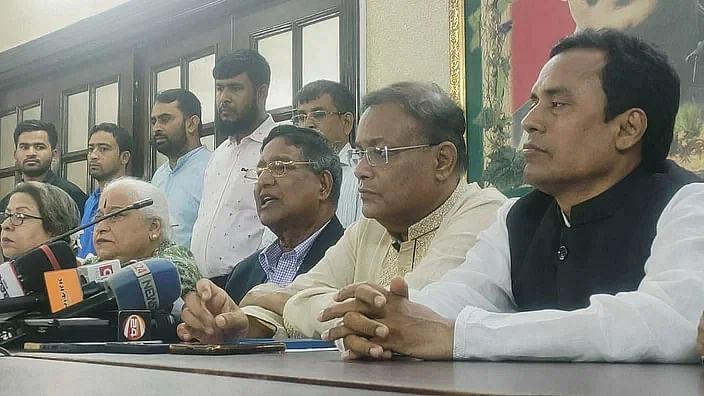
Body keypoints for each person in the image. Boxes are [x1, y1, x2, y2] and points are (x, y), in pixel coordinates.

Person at [319, 30, 704, 363]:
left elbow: (669, 322)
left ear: (628, 128)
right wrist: (385, 324)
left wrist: (461, 336)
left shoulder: (687, 204)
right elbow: (462, 292)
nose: (529, 120)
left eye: (557, 104)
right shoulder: (521, 217)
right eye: (535, 101)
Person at [176, 81, 507, 343]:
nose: (360, 169)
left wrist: (285, 303)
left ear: (442, 161)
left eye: (379, 152)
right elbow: (291, 290)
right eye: (361, 152)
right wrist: (235, 324)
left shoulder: (485, 214)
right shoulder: (370, 228)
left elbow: (397, 315)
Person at [225, 125, 344, 303]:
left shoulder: (350, 262)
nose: (263, 181)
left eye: (279, 167)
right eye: (259, 172)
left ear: (323, 185)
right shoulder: (243, 274)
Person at [190, 49, 275, 287]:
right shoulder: (219, 155)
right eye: (219, 88)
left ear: (262, 92)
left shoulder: (278, 149)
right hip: (205, 286)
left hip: (251, 285)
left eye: (235, 88)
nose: (223, 98)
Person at [83, 177, 200, 296]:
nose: (101, 227)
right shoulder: (92, 265)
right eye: (98, 218)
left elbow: (168, 277)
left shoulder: (176, 259)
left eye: (116, 216)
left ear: (153, 227)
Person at [292, 79, 361, 228]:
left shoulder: (362, 174)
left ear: (346, 122)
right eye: (301, 117)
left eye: (318, 114)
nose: (307, 124)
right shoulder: (290, 174)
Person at [150, 88, 211, 248]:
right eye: (154, 121)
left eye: (165, 119)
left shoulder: (213, 168)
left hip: (200, 271)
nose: (156, 128)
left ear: (191, 124)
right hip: (159, 269)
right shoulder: (159, 176)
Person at [0, 120, 87, 216]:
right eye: (24, 147)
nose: (31, 153)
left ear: (54, 155)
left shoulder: (71, 195)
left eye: (39, 147)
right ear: (15, 155)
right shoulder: (6, 202)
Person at [77, 123, 132, 259]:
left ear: (124, 157)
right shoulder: (91, 200)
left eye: (103, 149)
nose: (94, 155)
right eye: (91, 149)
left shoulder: (132, 199)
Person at [1, 182, 79, 259]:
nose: (5, 225)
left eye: (20, 216)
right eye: (7, 215)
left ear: (55, 228)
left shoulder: (77, 271)